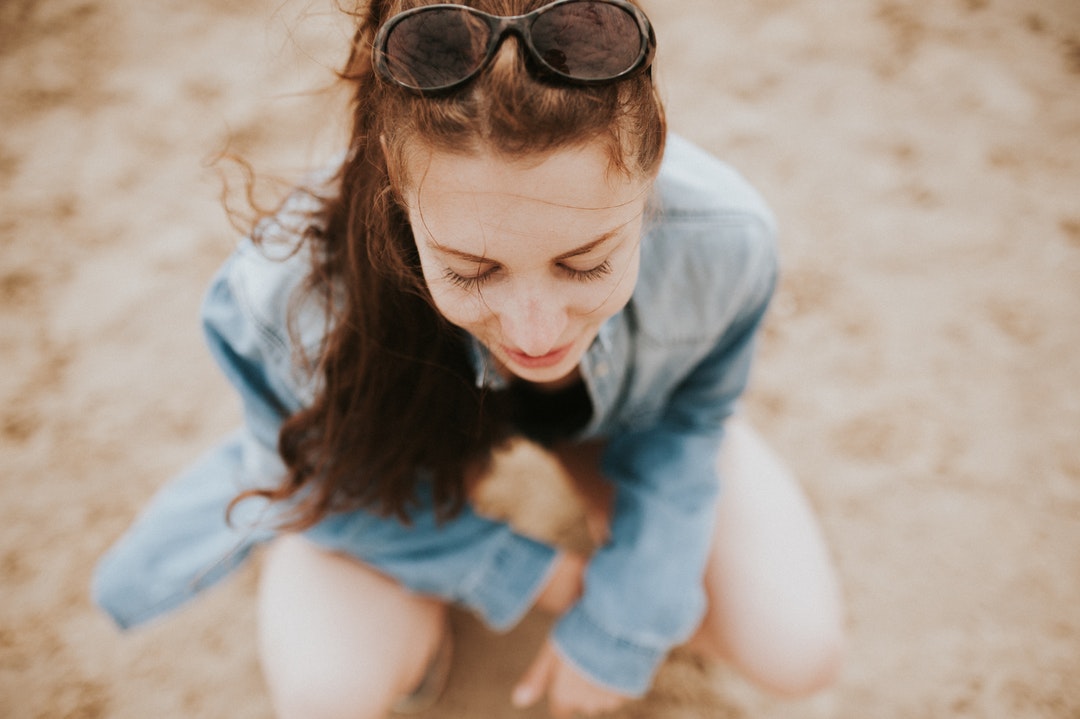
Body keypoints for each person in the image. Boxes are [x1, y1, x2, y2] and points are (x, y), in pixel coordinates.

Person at [93, 0, 845, 716]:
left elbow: (693, 415)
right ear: (395, 179)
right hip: (396, 461)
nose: (535, 331)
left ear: (650, 170)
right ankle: (417, 634)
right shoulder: (286, 302)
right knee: (327, 692)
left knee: (797, 651)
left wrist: (635, 609)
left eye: (584, 263)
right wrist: (552, 578)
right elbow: (329, 492)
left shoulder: (727, 237)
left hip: (625, 420)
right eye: (471, 269)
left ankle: (591, 492)